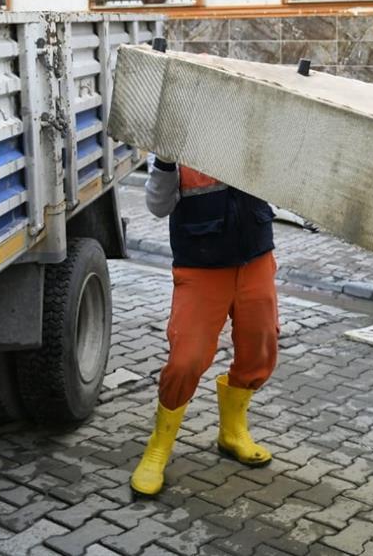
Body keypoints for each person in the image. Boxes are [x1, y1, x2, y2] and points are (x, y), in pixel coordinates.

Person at [130, 153, 281, 496]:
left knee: (261, 348)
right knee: (186, 360)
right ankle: (158, 448)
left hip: (255, 256)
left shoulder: (253, 127)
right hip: (201, 266)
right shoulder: (179, 135)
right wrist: (167, 161)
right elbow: (157, 205)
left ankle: (232, 432)